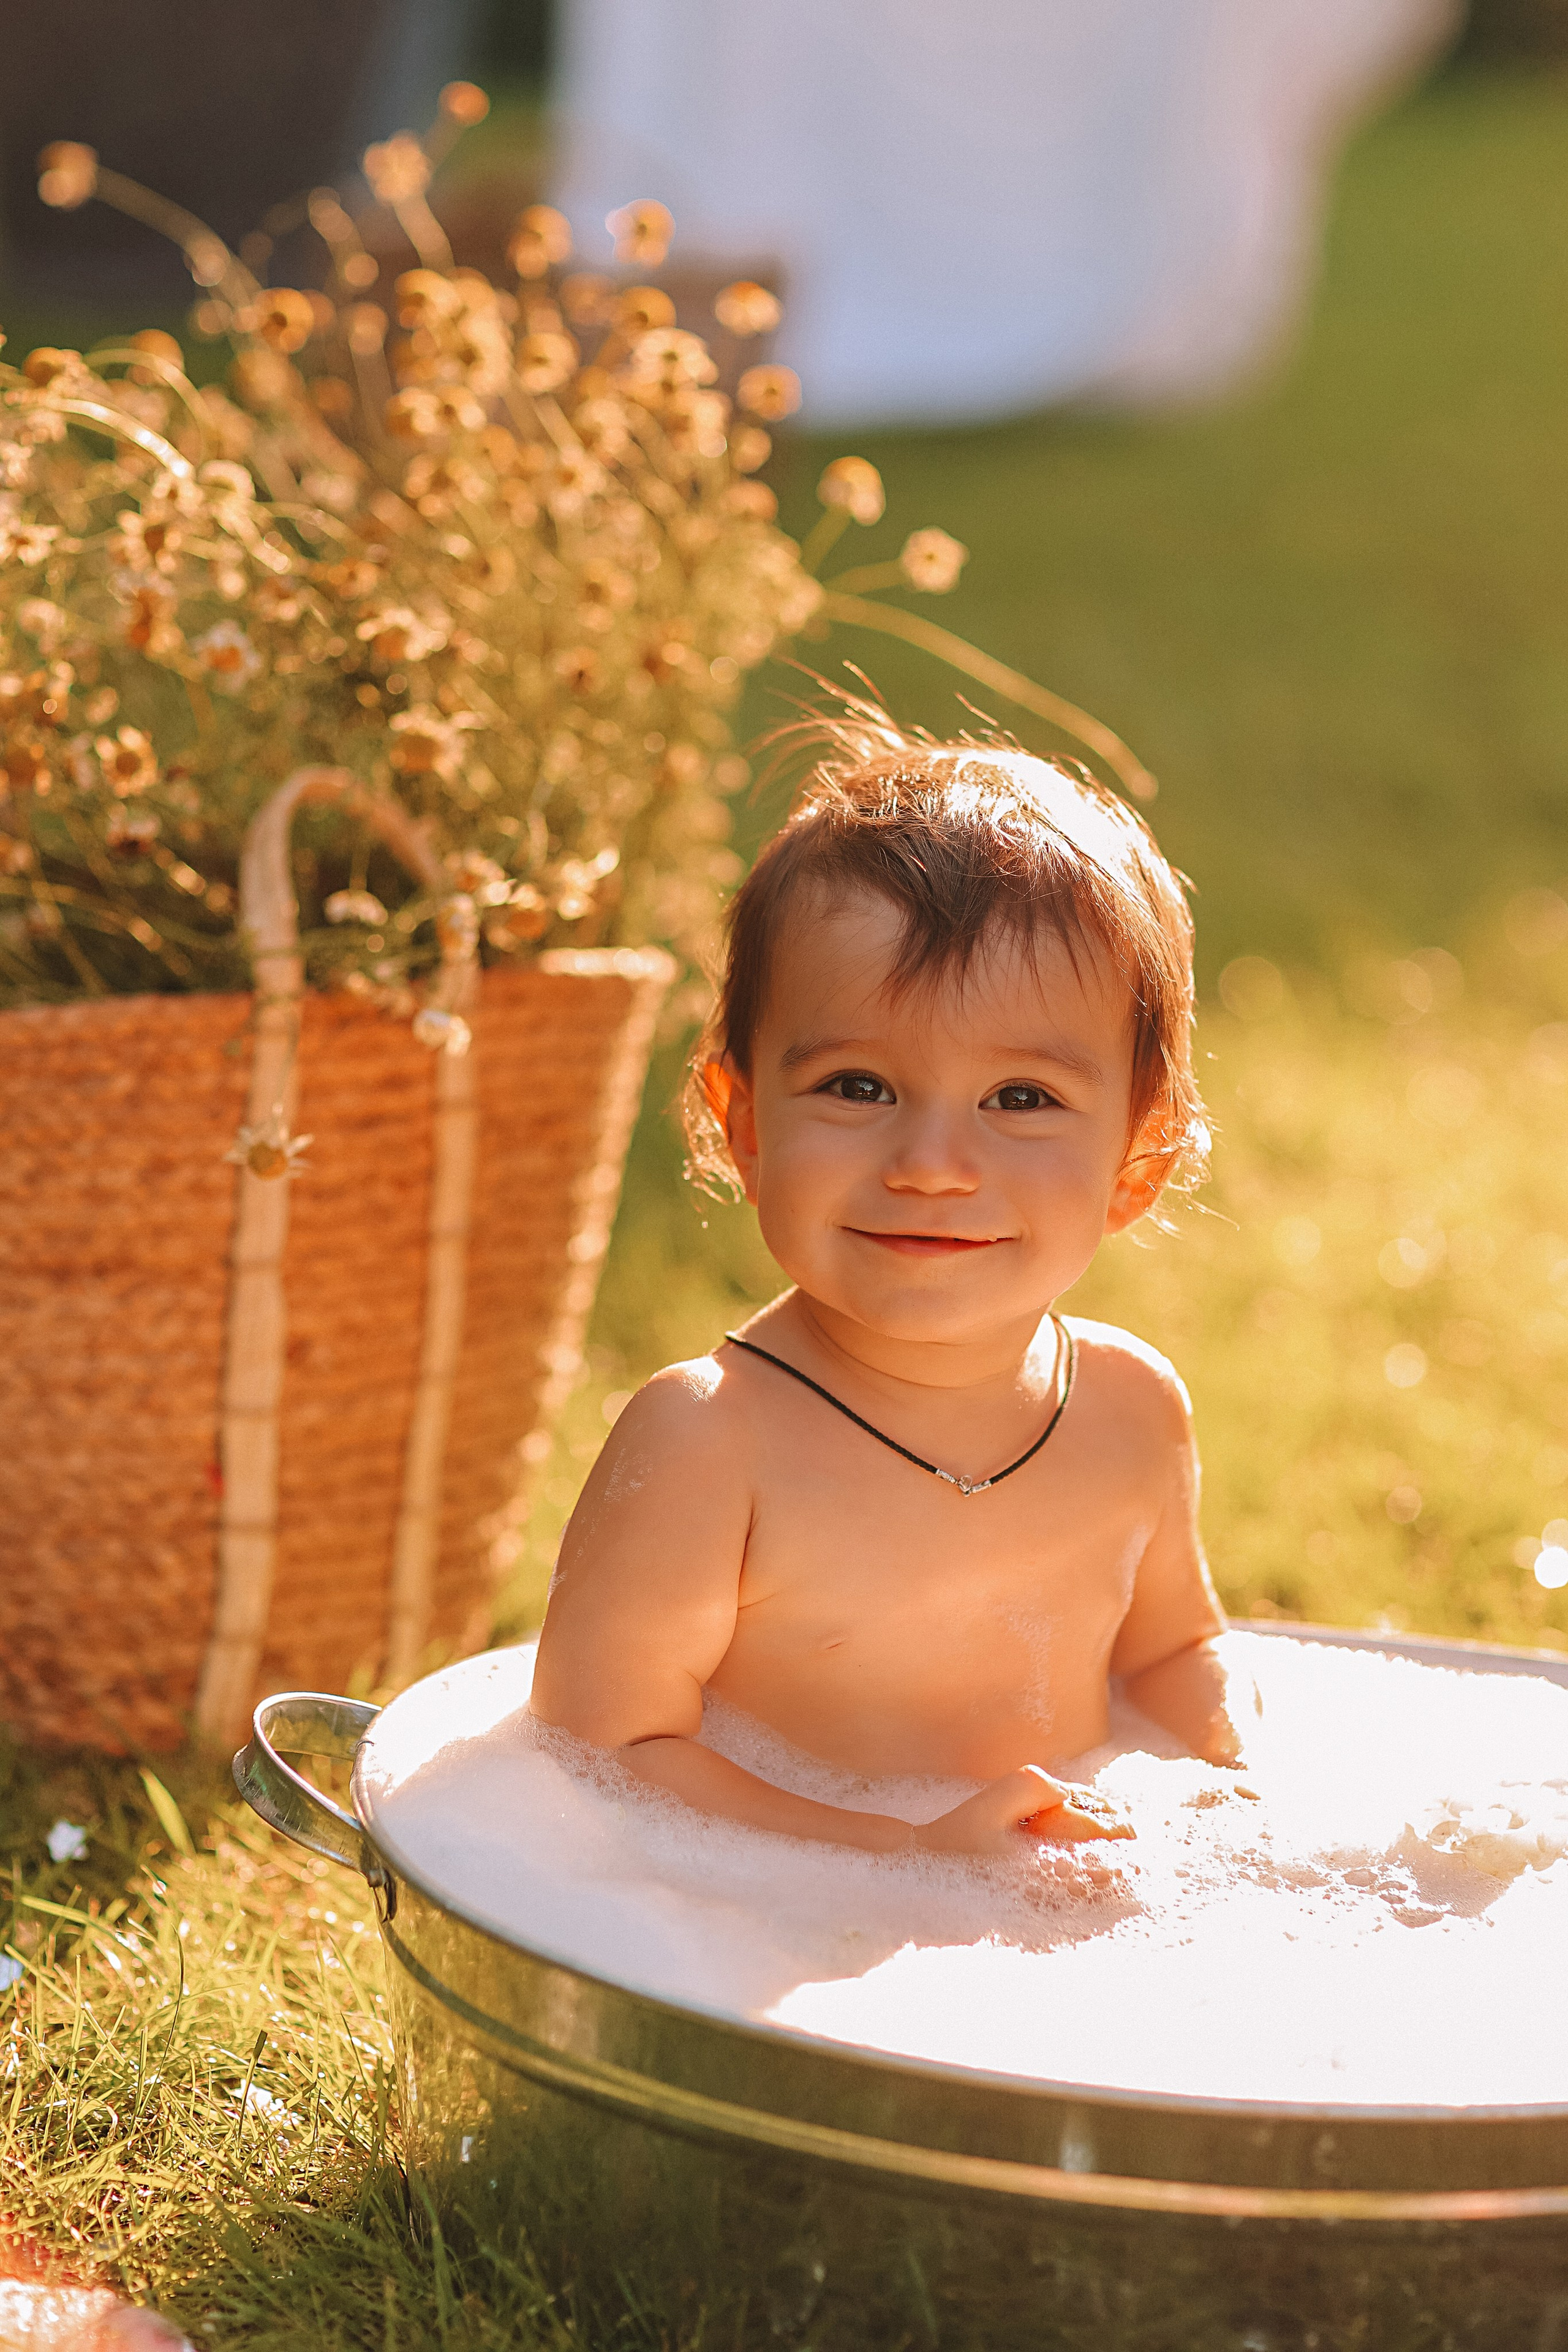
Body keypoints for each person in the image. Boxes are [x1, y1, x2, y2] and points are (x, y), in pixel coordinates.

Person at [530, 714, 1258, 1852]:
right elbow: (598, 1755)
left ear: (1140, 1163)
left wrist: (1227, 1774)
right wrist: (902, 1854)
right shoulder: (710, 1445)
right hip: (767, 1930)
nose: (931, 1167)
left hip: (1040, 1918)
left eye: (1021, 1099)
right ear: (744, 1123)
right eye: (860, 1086)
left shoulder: (1131, 1408)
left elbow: (1173, 1651)